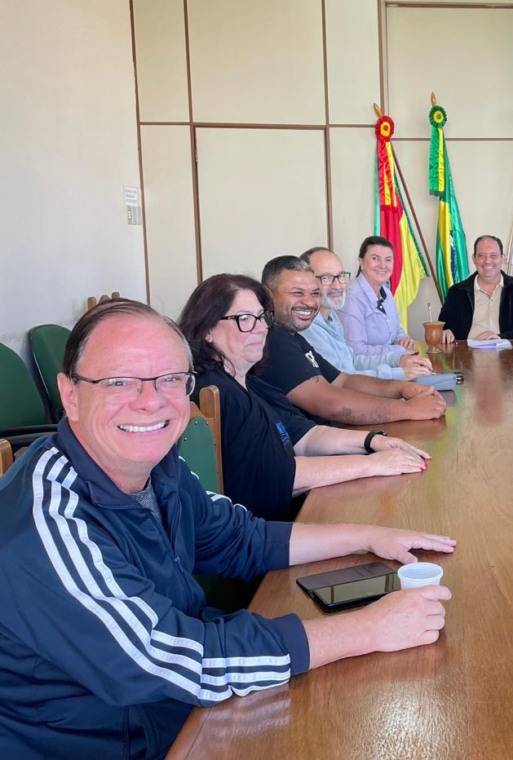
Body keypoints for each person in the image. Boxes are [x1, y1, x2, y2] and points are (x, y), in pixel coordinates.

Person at [0, 299, 455, 759]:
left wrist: (370, 536)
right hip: (112, 741)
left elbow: (243, 538)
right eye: (119, 381)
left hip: (180, 714)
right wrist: (368, 630)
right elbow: (168, 659)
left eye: (170, 379)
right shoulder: (47, 518)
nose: (150, 400)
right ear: (71, 394)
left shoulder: (160, 468)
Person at [179, 273, 433, 521]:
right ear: (207, 329)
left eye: (261, 317)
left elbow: (305, 436)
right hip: (270, 533)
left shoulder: (251, 382)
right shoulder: (219, 390)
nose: (260, 330)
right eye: (244, 319)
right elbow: (282, 477)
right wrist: (373, 464)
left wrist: (372, 441)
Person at [255, 256, 447, 426]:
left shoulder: (293, 336)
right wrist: (408, 410)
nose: (310, 302)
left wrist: (403, 388)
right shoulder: (271, 339)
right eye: (297, 293)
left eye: (314, 293)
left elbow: (343, 380)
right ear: (266, 295)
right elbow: (328, 402)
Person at [299, 247, 433, 380]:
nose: (337, 285)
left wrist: (398, 360)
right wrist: (398, 373)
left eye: (340, 276)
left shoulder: (331, 316)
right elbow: (341, 380)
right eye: (326, 278)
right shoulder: (307, 326)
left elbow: (353, 361)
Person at [438, 234, 513, 344]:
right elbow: (442, 326)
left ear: (503, 258)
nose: (487, 261)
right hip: (466, 355)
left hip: (507, 355)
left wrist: (502, 337)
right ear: (474, 259)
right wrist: (445, 331)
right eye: (481, 255)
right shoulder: (457, 291)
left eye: (493, 255)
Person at [341, 235, 418, 357]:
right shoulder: (351, 296)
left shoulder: (386, 292)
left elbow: (396, 329)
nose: (383, 265)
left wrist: (403, 339)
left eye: (388, 259)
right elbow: (356, 351)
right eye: (375, 258)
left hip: (391, 365)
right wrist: (398, 350)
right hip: (363, 372)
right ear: (361, 261)